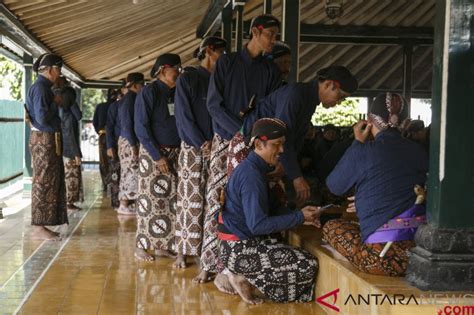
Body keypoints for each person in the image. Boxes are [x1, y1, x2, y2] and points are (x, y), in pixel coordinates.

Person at [199, 14, 283, 283]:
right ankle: (209, 262)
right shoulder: (227, 62)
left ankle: (235, 267)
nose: (274, 40)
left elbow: (267, 109)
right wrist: (240, 131)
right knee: (216, 200)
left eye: (276, 36)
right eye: (270, 34)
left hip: (253, 145)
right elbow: (213, 105)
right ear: (255, 32)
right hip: (227, 138)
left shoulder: (270, 71)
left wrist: (252, 136)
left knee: (245, 203)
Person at [323, 92, 428, 276]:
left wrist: (357, 143)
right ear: (405, 123)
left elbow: (335, 186)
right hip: (419, 253)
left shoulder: (364, 151)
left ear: (369, 121)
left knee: (331, 226)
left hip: (380, 257)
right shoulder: (419, 151)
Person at [219, 118, 322, 304]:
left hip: (238, 243)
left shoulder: (255, 169)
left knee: (282, 244)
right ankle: (245, 279)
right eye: (277, 145)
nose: (281, 150)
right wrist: (298, 217)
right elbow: (258, 224)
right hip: (238, 250)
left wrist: (301, 216)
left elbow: (273, 209)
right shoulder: (251, 176)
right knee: (307, 264)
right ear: (258, 144)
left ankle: (246, 277)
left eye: (282, 144)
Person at [227, 66, 358, 207]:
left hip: (269, 153)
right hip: (248, 146)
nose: (339, 102)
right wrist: (296, 177)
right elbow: (282, 136)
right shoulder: (296, 94)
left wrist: (285, 165)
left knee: (267, 201)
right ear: (329, 85)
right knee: (245, 202)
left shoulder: (310, 101)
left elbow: (297, 138)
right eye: (341, 97)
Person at [173, 37, 227, 272]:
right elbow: (183, 116)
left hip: (215, 145)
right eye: (221, 53)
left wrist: (213, 142)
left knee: (212, 200)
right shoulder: (189, 78)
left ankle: (207, 252)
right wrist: (200, 142)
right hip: (192, 147)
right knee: (189, 199)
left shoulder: (219, 79)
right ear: (209, 51)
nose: (223, 58)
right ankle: (183, 252)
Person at [134, 53, 182, 261]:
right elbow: (141, 127)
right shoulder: (149, 92)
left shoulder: (177, 92)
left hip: (175, 152)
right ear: (163, 70)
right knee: (150, 200)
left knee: (170, 200)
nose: (179, 73)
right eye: (176, 69)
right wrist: (157, 156)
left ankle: (162, 245)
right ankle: (141, 246)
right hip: (154, 154)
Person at [26, 53, 67, 241]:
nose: (59, 74)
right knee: (43, 181)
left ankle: (43, 224)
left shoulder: (44, 87)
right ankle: (39, 227)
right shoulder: (41, 88)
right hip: (44, 139)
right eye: (58, 70)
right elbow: (42, 118)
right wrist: (55, 103)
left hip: (48, 138)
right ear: (50, 69)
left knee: (49, 180)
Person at [55, 76, 84, 211]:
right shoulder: (68, 109)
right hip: (69, 148)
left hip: (60, 146)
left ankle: (66, 202)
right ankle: (69, 202)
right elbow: (78, 117)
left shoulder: (58, 106)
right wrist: (76, 153)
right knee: (71, 175)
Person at [117, 73, 144, 215]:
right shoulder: (130, 99)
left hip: (129, 139)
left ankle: (128, 203)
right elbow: (127, 124)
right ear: (135, 85)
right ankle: (123, 204)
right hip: (128, 140)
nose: (143, 87)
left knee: (132, 172)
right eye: (141, 84)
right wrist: (133, 145)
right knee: (129, 172)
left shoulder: (131, 98)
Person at [106, 82, 126, 210]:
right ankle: (116, 202)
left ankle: (128, 201)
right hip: (116, 143)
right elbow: (109, 127)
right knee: (116, 174)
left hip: (130, 145)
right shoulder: (115, 106)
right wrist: (109, 146)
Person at [93, 89, 117, 191]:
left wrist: (100, 131)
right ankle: (114, 182)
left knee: (103, 160)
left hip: (103, 136)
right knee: (115, 159)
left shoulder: (100, 106)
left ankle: (105, 183)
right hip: (115, 136)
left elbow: (95, 122)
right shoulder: (117, 106)